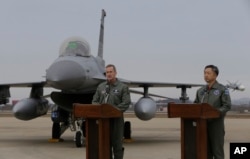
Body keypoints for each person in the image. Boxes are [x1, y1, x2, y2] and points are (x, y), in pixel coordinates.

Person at [92, 64, 131, 159]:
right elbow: (94, 101)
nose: (109, 74)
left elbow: (126, 103)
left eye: (111, 72)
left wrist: (112, 111)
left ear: (115, 73)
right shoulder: (101, 87)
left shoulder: (123, 87)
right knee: (104, 146)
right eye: (107, 72)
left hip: (116, 121)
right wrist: (101, 111)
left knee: (117, 146)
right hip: (103, 121)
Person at [194, 64, 231, 159]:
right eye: (204, 73)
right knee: (205, 152)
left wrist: (215, 113)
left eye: (208, 73)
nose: (206, 75)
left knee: (217, 152)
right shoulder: (200, 91)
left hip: (216, 125)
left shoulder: (222, 89)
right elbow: (195, 106)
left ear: (215, 75)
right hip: (202, 124)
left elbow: (226, 106)